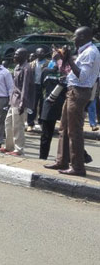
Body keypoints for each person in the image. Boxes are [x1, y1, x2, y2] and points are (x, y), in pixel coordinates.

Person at [45, 27, 100, 177]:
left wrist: (68, 59)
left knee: (74, 130)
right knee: (63, 127)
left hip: (79, 92)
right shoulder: (83, 51)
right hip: (72, 90)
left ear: (83, 37)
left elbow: (82, 76)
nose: (73, 39)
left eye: (75, 36)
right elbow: (69, 72)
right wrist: (61, 59)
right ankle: (62, 160)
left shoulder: (90, 52)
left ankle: (78, 167)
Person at [1, 48, 34, 156]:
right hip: (13, 100)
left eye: (17, 54)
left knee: (18, 125)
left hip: (20, 100)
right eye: (15, 54)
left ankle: (19, 149)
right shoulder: (17, 67)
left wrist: (22, 103)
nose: (14, 56)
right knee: (8, 123)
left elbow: (25, 87)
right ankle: (8, 146)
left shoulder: (26, 68)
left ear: (24, 56)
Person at [38, 59, 67, 159]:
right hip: (54, 104)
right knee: (48, 134)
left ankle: (45, 157)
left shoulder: (69, 73)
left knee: (66, 133)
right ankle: (43, 157)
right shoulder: (47, 72)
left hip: (59, 104)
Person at [27, 48, 48, 131]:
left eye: (43, 52)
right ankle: (30, 124)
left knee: (43, 105)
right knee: (32, 106)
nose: (41, 53)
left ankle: (41, 122)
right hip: (34, 86)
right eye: (39, 52)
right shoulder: (32, 64)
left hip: (44, 87)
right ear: (36, 53)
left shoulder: (48, 63)